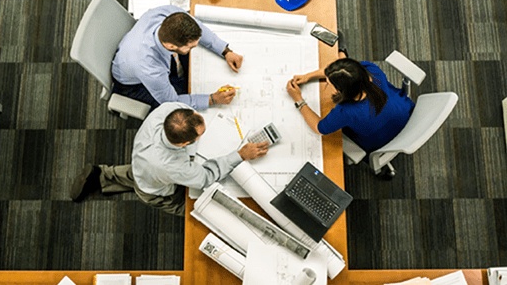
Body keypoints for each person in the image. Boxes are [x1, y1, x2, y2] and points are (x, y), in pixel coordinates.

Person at [70, 102, 269, 216]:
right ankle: (104, 179)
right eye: (200, 134)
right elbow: (206, 177)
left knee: (137, 173)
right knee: (192, 208)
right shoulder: (173, 166)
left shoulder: (169, 110)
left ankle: (102, 175)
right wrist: (240, 155)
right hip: (155, 189)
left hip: (142, 162)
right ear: (184, 144)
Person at [285, 48, 414, 162]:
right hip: (406, 113)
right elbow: (345, 71)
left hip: (380, 140)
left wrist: (298, 99)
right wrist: (308, 76)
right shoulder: (371, 70)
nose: (327, 84)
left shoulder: (347, 111)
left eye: (329, 84)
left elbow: (319, 128)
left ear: (340, 91)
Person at [111, 5, 244, 111]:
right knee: (180, 107)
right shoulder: (150, 68)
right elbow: (172, 101)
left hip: (136, 53)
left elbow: (198, 28)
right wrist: (212, 99)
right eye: (191, 47)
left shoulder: (169, 14)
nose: (194, 47)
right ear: (171, 46)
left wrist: (225, 51)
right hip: (133, 85)